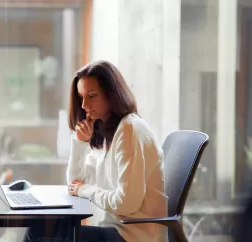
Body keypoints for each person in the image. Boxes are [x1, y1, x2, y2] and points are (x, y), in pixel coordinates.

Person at [25, 60, 168, 242]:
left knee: (41, 234)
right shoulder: (106, 133)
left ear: (112, 95)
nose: (84, 104)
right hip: (115, 231)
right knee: (38, 227)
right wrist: (80, 142)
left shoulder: (130, 130)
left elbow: (125, 203)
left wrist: (85, 190)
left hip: (133, 237)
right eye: (81, 96)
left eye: (92, 96)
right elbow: (75, 184)